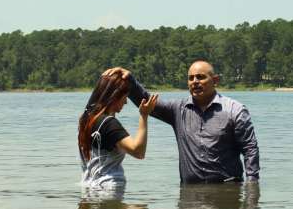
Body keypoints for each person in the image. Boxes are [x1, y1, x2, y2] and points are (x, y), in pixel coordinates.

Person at [103, 61, 260, 184]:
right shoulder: (178, 110)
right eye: (191, 78)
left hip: (226, 192)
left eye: (201, 77)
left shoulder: (235, 110)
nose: (195, 81)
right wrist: (129, 81)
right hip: (189, 194)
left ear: (215, 80)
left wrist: (252, 186)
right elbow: (147, 102)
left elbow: (250, 149)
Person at [77, 73, 158, 195]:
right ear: (114, 96)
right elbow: (138, 151)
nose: (125, 102)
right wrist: (144, 115)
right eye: (124, 97)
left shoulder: (85, 120)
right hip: (109, 188)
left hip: (89, 187)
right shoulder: (109, 124)